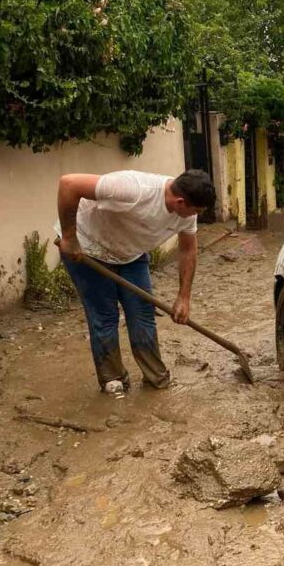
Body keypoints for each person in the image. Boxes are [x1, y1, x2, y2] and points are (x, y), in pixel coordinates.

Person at [57, 169, 214, 398]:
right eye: (196, 211)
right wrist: (69, 237)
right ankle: (113, 380)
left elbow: (188, 249)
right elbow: (69, 184)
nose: (196, 216)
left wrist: (184, 297)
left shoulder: (187, 214)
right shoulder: (134, 189)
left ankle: (156, 377)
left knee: (142, 313)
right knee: (105, 316)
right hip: (88, 249)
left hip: (131, 254)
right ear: (181, 202)